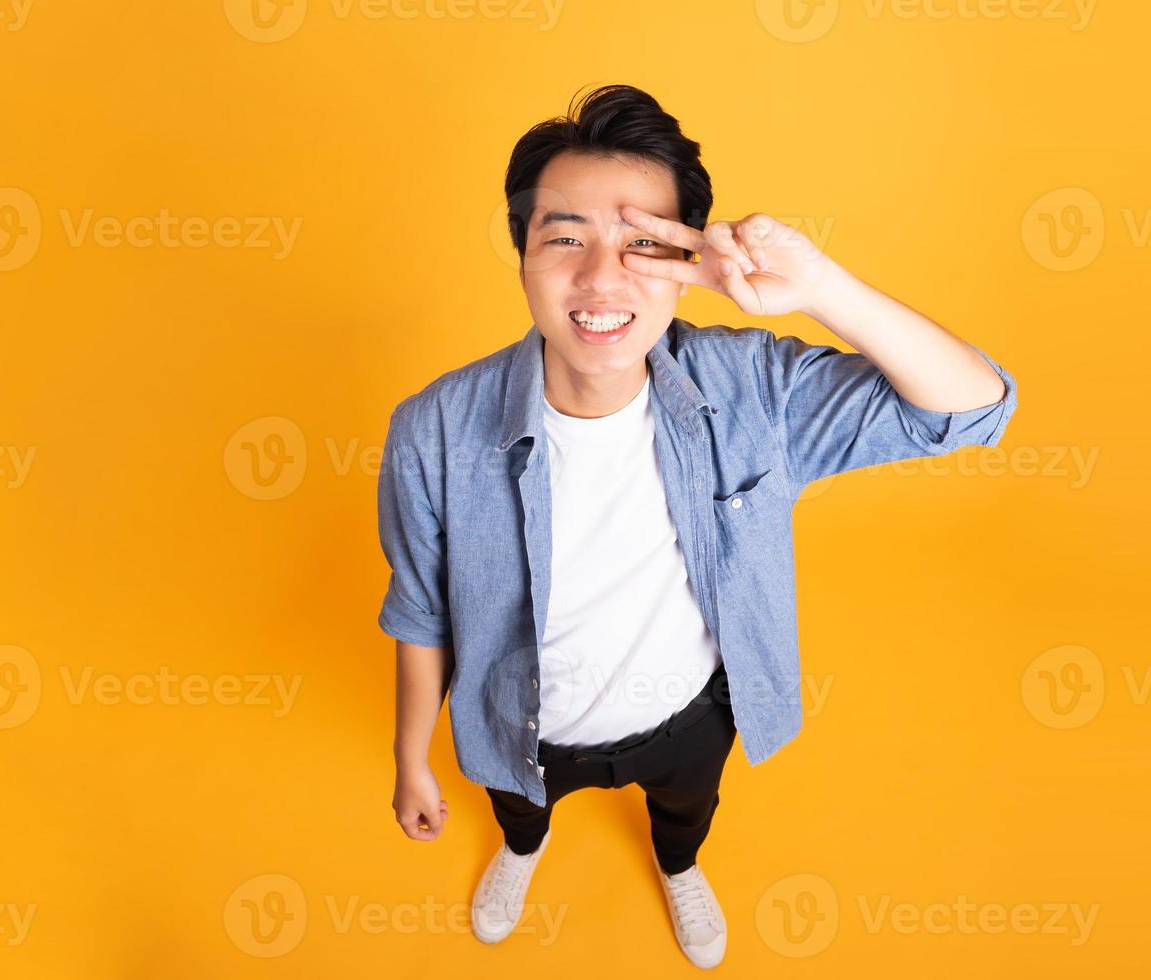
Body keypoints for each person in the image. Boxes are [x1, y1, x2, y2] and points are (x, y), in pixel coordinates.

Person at [381, 84, 1018, 969]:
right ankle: (523, 851)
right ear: (522, 251)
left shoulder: (749, 388)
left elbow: (972, 412)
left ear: (690, 254)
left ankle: (678, 865)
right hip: (518, 725)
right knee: (520, 813)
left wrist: (820, 287)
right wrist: (413, 760)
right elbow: (422, 614)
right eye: (564, 236)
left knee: (686, 813)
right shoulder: (433, 429)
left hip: (689, 711)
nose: (602, 279)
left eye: (645, 243)